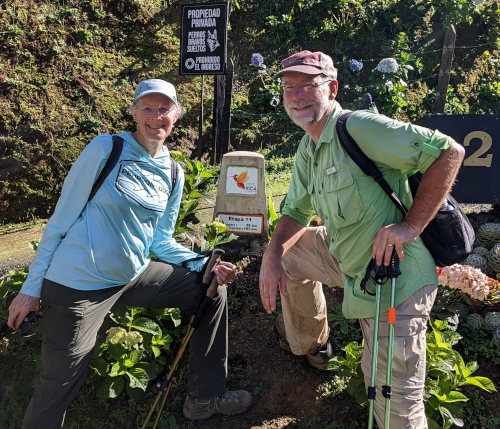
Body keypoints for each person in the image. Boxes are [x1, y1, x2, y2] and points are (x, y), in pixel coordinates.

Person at [8, 78, 252, 428]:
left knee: (210, 288)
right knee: (60, 382)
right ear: (134, 112)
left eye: (164, 108)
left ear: (176, 115)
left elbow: (160, 241)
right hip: (79, 286)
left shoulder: (172, 171)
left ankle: (205, 397)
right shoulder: (106, 150)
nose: (156, 116)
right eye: (148, 108)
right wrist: (31, 289)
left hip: (133, 276)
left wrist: (204, 263)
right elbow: (59, 222)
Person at [259, 50, 464, 428]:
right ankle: (313, 345)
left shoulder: (359, 128)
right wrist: (272, 254)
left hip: (396, 280)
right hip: (349, 259)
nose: (298, 94)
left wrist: (410, 226)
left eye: (309, 84)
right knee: (289, 253)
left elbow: (449, 151)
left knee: (392, 406)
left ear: (332, 88)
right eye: (290, 87)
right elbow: (296, 212)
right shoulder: (309, 145)